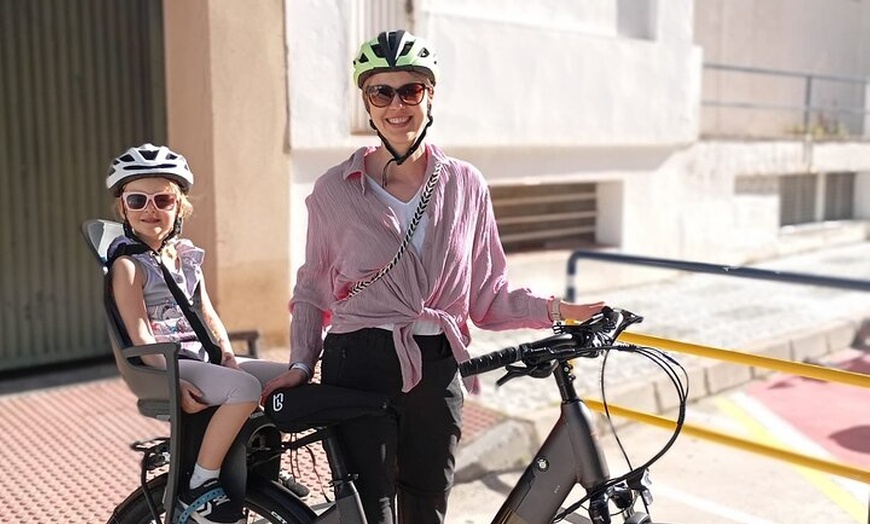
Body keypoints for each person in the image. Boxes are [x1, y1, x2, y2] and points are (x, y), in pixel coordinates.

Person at [260, 30, 605, 524]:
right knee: (370, 511)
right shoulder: (334, 190)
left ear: (430, 94)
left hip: (438, 362)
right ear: (367, 102)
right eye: (382, 92)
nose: (396, 105)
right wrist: (299, 362)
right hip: (357, 360)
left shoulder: (465, 184)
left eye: (410, 90)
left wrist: (560, 311)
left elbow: (488, 294)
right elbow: (314, 287)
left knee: (428, 505)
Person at [106, 143, 287, 524]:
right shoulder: (128, 266)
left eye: (163, 199)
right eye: (137, 200)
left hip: (200, 357)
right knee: (245, 390)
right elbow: (139, 332)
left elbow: (208, 313)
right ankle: (201, 486)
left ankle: (262, 464)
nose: (150, 209)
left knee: (284, 378)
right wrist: (168, 377)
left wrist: (228, 355)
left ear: (180, 206)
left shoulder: (184, 255)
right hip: (165, 362)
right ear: (123, 208)